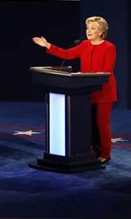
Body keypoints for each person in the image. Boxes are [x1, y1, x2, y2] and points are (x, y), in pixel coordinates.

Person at [32, 16, 117, 164]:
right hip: (84, 90)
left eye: (93, 28)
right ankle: (91, 151)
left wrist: (86, 76)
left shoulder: (109, 47)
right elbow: (67, 54)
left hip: (104, 92)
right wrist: (48, 45)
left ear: (101, 31)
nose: (89, 31)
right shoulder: (84, 45)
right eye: (88, 28)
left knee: (101, 123)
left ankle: (105, 153)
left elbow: (107, 70)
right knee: (88, 124)